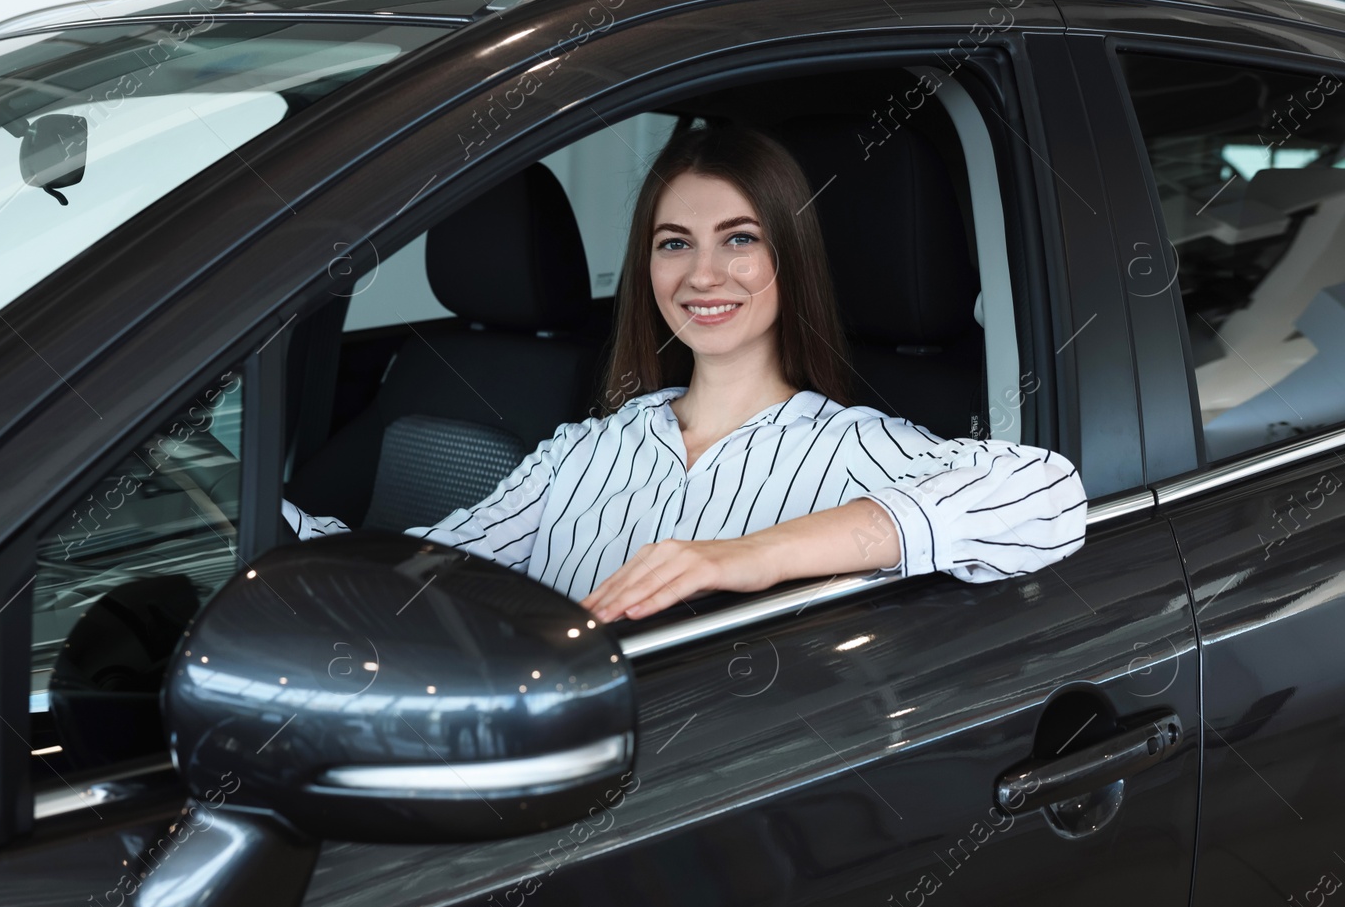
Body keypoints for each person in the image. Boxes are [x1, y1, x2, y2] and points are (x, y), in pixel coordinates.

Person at [280, 124, 1086, 622]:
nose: (704, 274)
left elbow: (1047, 497)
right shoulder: (584, 449)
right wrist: (269, 539)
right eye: (674, 243)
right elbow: (433, 567)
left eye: (740, 239)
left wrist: (743, 556)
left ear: (789, 259)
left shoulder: (851, 447)